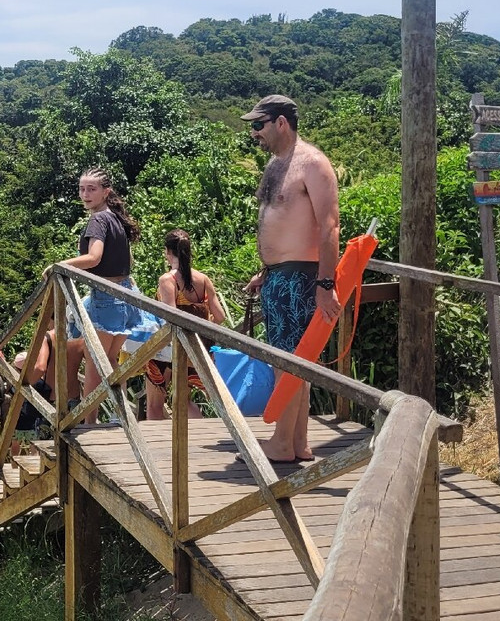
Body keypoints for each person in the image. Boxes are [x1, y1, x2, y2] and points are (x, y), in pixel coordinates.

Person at [242, 95, 341, 463]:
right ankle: (297, 443)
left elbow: (330, 226)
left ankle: (282, 443)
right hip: (278, 277)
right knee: (294, 359)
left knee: (290, 360)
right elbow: (280, 222)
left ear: (281, 123)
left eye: (259, 125)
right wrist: (266, 271)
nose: (254, 133)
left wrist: (325, 285)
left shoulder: (313, 164)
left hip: (302, 278)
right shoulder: (274, 165)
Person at [48, 167, 153, 424]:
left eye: (91, 189)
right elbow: (126, 261)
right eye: (82, 189)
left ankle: (89, 421)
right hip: (125, 292)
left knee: (95, 361)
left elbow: (93, 258)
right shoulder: (115, 217)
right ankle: (122, 414)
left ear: (106, 192)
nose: (85, 194)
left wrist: (58, 266)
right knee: (112, 360)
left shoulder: (98, 220)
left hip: (107, 298)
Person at [146, 229, 225, 421]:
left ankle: (155, 445)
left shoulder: (168, 279)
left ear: (167, 251)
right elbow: (220, 316)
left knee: (155, 403)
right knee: (183, 400)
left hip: (170, 348)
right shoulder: (203, 279)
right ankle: (200, 436)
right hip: (196, 347)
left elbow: (171, 317)